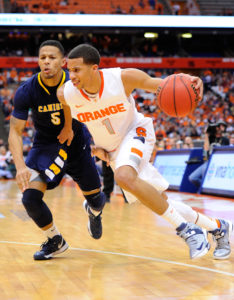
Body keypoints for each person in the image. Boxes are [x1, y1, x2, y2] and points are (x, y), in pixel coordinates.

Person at [57, 44, 232, 260]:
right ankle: (218, 227)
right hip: (112, 151)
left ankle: (188, 231)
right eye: (69, 70)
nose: (71, 76)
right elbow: (69, 110)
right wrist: (86, 141)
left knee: (124, 176)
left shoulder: (122, 78)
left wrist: (189, 79)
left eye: (76, 70)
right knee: (158, 201)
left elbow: (163, 85)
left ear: (94, 68)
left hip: (136, 132)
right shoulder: (67, 93)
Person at [8, 40, 106, 261]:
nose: (46, 62)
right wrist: (20, 166)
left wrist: (99, 141)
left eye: (52, 58)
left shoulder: (77, 82)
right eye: (42, 58)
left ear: (63, 62)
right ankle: (55, 240)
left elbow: (97, 112)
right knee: (30, 197)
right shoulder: (27, 90)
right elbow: (15, 131)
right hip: (46, 146)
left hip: (77, 144)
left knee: (97, 200)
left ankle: (94, 212)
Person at [189, 120, 230, 188]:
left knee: (204, 172)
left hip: (218, 162)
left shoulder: (225, 139)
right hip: (208, 161)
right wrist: (207, 135)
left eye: (222, 127)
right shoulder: (211, 138)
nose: (220, 128)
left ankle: (205, 189)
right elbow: (206, 149)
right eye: (219, 126)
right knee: (192, 178)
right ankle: (204, 188)